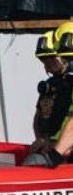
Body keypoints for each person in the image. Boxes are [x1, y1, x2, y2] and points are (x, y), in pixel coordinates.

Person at [23, 26, 73, 166]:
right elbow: (40, 117)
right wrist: (43, 140)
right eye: (44, 60)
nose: (48, 63)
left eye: (51, 58)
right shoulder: (50, 86)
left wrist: (55, 153)